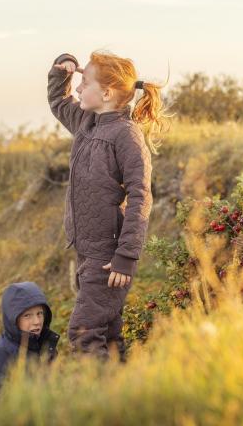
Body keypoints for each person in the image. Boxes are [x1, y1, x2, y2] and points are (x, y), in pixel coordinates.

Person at [47, 50, 168, 359]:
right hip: (87, 251)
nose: (77, 89)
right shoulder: (87, 123)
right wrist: (62, 70)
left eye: (83, 82)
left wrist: (126, 255)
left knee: (84, 334)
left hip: (109, 256)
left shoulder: (126, 136)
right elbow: (59, 103)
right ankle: (122, 396)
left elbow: (141, 196)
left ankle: (98, 403)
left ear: (107, 92)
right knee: (109, 337)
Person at [0, 281, 59, 395]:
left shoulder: (46, 344)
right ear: (12, 318)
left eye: (39, 313)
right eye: (27, 315)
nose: (37, 322)